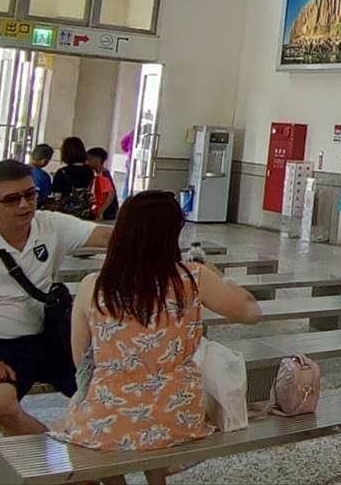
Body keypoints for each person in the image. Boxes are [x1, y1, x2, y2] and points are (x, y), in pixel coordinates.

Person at [54, 191, 260, 473]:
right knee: (153, 425)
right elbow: (251, 313)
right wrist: (222, 278)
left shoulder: (94, 285)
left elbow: (81, 359)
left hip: (105, 420)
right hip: (177, 416)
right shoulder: (193, 278)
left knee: (94, 433)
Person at [0, 160, 111, 436]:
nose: (24, 205)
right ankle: (54, 458)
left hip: (49, 337)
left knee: (107, 388)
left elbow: (107, 237)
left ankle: (97, 455)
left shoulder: (50, 224)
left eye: (30, 195)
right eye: (11, 199)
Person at [46, 138, 97, 220]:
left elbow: (57, 196)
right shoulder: (89, 171)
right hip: (84, 212)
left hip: (66, 215)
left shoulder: (62, 172)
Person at [86, 148, 118, 221]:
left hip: (106, 214)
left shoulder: (103, 176)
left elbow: (111, 195)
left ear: (97, 160)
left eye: (89, 159)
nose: (87, 162)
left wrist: (100, 211)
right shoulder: (100, 175)